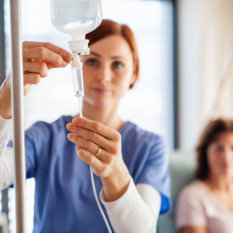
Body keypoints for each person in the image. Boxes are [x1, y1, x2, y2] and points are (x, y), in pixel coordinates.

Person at [0, 19, 170, 233]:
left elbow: (143, 229)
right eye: (92, 62)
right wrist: (7, 97)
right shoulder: (45, 137)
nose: (104, 76)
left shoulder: (150, 147)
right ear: (77, 65)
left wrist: (115, 173)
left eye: (117, 64)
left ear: (134, 73)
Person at [176, 118, 233, 233]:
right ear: (205, 153)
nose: (226, 156)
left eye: (232, 148)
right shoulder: (193, 196)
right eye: (218, 148)